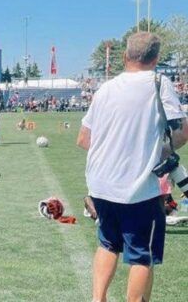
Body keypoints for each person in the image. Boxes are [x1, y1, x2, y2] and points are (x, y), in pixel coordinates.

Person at [76, 31, 188, 302]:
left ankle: (97, 298)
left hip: (101, 185)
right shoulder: (158, 83)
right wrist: (157, 151)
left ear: (125, 56)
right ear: (157, 58)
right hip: (137, 188)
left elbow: (83, 139)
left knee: (107, 243)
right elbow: (182, 131)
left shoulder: (105, 89)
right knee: (141, 254)